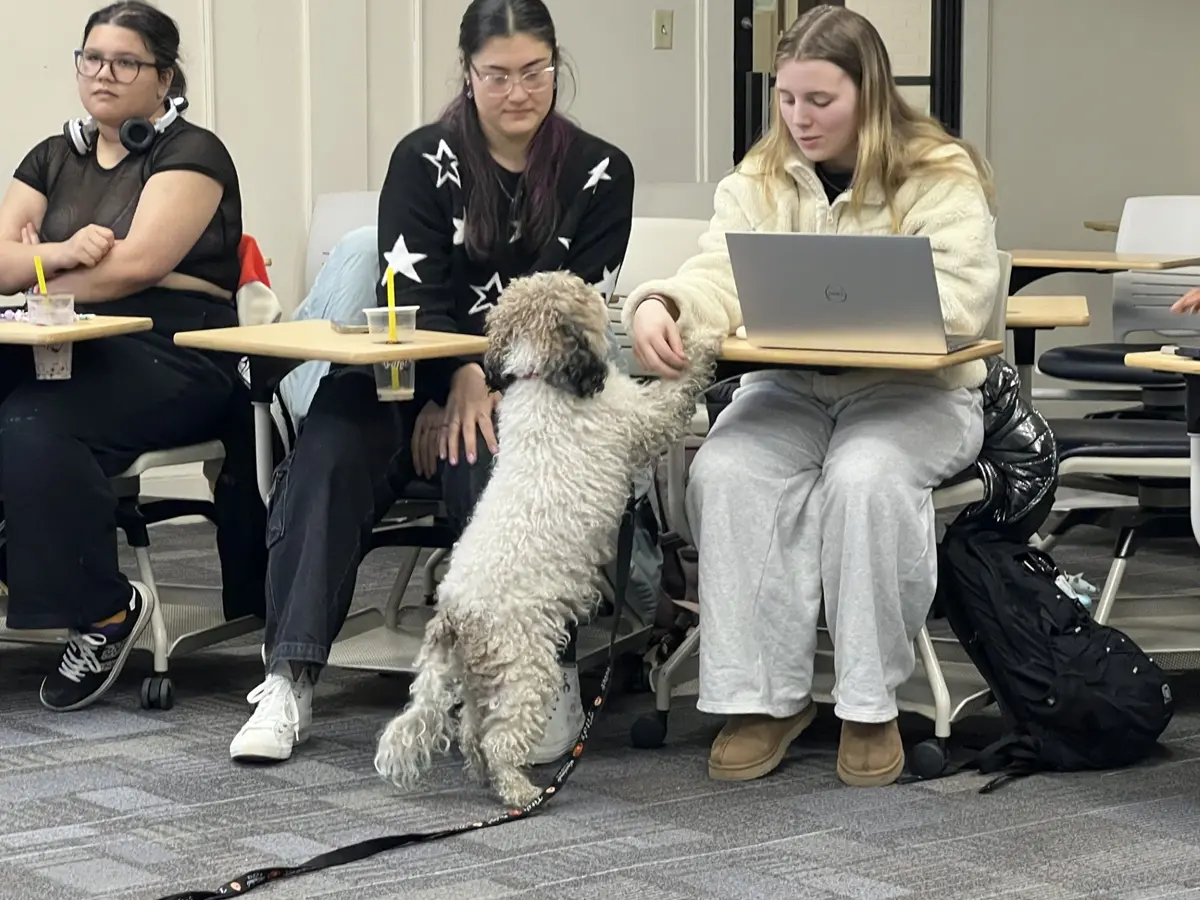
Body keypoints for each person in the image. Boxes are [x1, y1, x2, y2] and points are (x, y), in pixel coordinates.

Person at [231, 0, 635, 765]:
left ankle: (530, 676)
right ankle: (288, 675)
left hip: (533, 386)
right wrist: (452, 381)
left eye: (534, 73)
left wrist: (477, 385)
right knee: (330, 449)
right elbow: (413, 295)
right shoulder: (424, 158)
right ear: (467, 73)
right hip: (413, 370)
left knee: (492, 459)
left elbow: (574, 310)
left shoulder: (601, 170)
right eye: (497, 75)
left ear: (556, 65)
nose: (518, 92)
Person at [624, 5, 999, 788]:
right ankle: (763, 699)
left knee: (863, 481)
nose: (799, 118)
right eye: (787, 99)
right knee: (727, 472)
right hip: (791, 390)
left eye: (819, 101)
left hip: (913, 396)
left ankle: (870, 705)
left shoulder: (939, 172)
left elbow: (965, 299)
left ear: (869, 94)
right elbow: (714, 277)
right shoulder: (758, 177)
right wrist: (663, 304)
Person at [0, 1, 242, 712]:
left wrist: (32, 271)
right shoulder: (51, 155)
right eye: (92, 58)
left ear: (164, 78)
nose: (103, 73)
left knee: (34, 421)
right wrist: (59, 254)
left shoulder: (191, 152)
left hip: (173, 346)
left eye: (125, 61)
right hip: (56, 336)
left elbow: (135, 266)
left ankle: (105, 613)